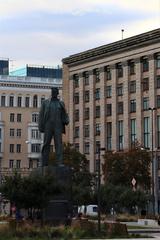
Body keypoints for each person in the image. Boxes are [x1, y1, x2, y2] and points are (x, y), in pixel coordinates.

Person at [38, 87, 69, 166]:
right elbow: (41, 115)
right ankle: (44, 162)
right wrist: (40, 126)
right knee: (46, 144)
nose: (54, 93)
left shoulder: (61, 103)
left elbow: (64, 113)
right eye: (53, 92)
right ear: (51, 93)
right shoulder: (45, 103)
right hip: (48, 125)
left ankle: (59, 162)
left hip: (58, 126)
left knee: (58, 144)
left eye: (55, 92)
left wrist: (66, 120)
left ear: (57, 93)